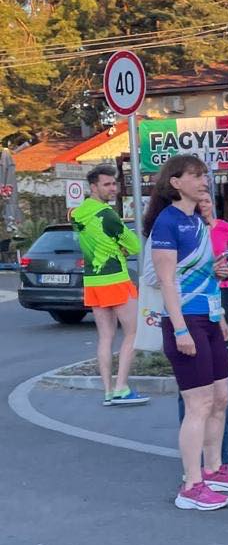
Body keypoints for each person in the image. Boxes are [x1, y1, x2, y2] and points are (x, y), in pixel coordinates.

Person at [145, 155, 228, 510]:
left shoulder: (198, 221)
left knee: (220, 398)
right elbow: (165, 281)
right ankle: (191, 486)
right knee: (199, 404)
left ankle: (214, 468)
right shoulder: (167, 222)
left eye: (204, 175)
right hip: (185, 321)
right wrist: (179, 329)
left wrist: (219, 314)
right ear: (176, 182)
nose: (203, 180)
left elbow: (204, 277)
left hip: (209, 317)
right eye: (195, 175)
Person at [175, 187, 228, 471]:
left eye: (207, 200)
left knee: (221, 392)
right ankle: (195, 464)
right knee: (196, 394)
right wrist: (179, 329)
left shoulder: (219, 228)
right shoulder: (180, 231)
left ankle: (219, 458)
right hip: (190, 314)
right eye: (199, 200)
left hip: (216, 304)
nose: (204, 204)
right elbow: (160, 277)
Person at [72, 162, 147, 406]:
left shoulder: (78, 214)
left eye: (114, 184)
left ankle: (107, 391)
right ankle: (121, 387)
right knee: (134, 332)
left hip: (93, 280)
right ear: (93, 187)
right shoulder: (107, 215)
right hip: (115, 278)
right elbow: (135, 245)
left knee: (105, 337)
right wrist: (120, 248)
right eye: (107, 184)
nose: (113, 188)